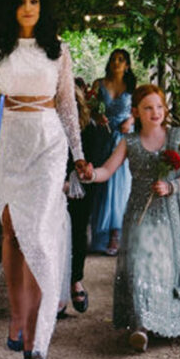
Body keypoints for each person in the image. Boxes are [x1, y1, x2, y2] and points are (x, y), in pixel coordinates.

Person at [0, 0, 90, 359]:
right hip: (8, 142)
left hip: (47, 143)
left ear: (42, 7)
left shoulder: (58, 51)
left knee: (39, 234)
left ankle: (36, 333)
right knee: (11, 231)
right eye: (22, 1)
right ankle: (16, 315)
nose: (28, 7)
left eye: (35, 0)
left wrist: (78, 155)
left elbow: (67, 106)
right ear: (11, 8)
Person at [84, 83, 180, 352]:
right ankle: (141, 326)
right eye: (148, 108)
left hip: (174, 214)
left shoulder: (178, 136)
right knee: (140, 263)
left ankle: (165, 319)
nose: (155, 112)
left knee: (165, 268)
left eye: (159, 107)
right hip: (140, 214)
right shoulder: (130, 142)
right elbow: (106, 170)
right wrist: (91, 174)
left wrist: (172, 186)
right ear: (136, 112)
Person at [67, 79, 115, 314]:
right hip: (49, 184)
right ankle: (52, 290)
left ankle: (76, 279)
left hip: (81, 185)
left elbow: (99, 152)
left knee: (77, 230)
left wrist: (82, 173)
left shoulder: (89, 127)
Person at [90, 49, 135, 254]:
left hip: (124, 136)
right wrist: (97, 117)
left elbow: (139, 108)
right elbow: (88, 108)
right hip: (103, 136)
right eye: (114, 59)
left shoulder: (132, 86)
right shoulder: (98, 84)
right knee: (104, 183)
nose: (117, 62)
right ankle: (103, 233)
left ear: (127, 65)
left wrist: (131, 120)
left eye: (121, 60)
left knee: (121, 183)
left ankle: (117, 233)